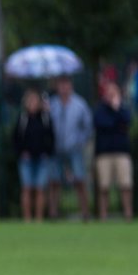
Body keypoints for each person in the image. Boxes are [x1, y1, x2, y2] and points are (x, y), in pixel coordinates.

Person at [47, 76, 92, 221]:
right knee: (54, 181)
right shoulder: (52, 104)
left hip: (74, 149)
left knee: (79, 180)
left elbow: (87, 126)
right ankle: (53, 212)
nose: (64, 88)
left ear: (71, 86)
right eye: (61, 85)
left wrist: (80, 142)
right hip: (56, 149)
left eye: (66, 85)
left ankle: (85, 212)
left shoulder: (80, 104)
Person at [93, 84, 134, 221]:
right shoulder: (100, 110)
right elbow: (103, 123)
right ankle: (103, 215)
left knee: (125, 185)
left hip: (122, 152)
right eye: (109, 93)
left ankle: (128, 214)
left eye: (114, 92)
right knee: (104, 186)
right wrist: (116, 121)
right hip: (104, 153)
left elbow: (127, 121)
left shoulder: (122, 109)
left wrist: (117, 109)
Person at [13, 89, 54, 222]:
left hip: (41, 158)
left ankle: (39, 218)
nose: (32, 103)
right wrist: (21, 152)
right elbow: (16, 138)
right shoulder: (22, 118)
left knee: (40, 188)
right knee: (27, 187)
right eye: (30, 100)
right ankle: (27, 218)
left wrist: (47, 152)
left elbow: (51, 137)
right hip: (26, 159)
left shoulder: (45, 118)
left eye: (35, 100)